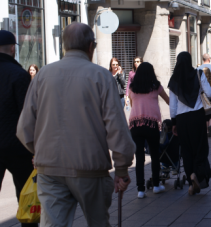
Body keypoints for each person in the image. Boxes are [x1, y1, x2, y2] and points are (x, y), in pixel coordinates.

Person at [16, 22, 135, 226]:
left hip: (50, 168)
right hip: (90, 168)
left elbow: (24, 127)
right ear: (90, 47)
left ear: (64, 46)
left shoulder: (42, 75)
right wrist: (122, 168)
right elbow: (116, 127)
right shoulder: (101, 76)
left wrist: (39, 150)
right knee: (98, 222)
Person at [0, 30, 38, 227]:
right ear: (13, 49)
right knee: (25, 195)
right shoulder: (19, 74)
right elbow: (28, 114)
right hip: (17, 145)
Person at [169, 51, 211, 195]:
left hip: (182, 120)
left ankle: (190, 180)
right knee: (199, 148)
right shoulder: (199, 74)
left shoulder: (174, 80)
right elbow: (210, 93)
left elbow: (172, 106)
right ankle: (198, 175)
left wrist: (174, 123)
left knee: (186, 151)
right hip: (197, 117)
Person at [127, 62, 169, 198]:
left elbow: (133, 104)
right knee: (155, 155)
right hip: (151, 124)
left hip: (136, 124)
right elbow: (168, 100)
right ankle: (156, 185)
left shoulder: (132, 88)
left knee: (139, 158)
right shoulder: (156, 87)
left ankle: (140, 190)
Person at [202, 67, 211, 137]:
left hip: (204, 100)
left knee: (205, 116)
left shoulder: (201, 81)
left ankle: (207, 130)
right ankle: (210, 126)